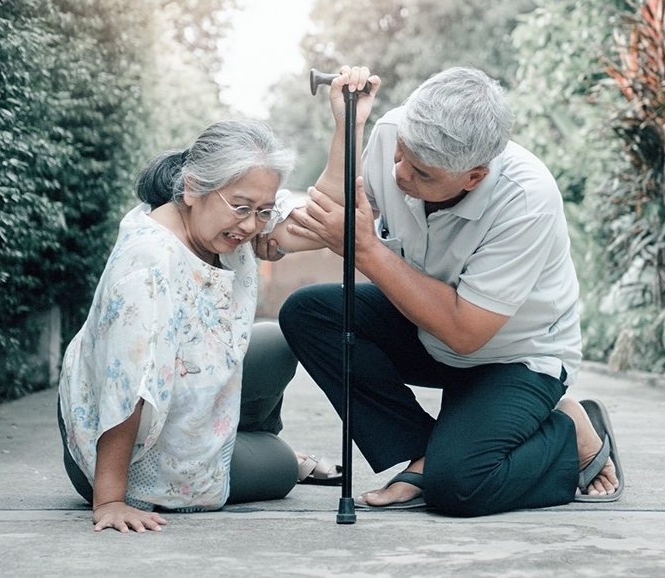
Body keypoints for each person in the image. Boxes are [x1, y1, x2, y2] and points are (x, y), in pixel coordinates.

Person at [261, 66, 623, 517]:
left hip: (513, 358)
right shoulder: (399, 131)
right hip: (427, 333)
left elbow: (465, 332)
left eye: (422, 174)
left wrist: (368, 250)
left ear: (474, 176)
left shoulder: (526, 199)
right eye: (399, 155)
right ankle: (423, 453)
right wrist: (344, 133)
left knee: (460, 487)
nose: (399, 175)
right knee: (309, 312)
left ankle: (569, 431)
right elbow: (331, 217)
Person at [57, 119, 340, 534]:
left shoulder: (223, 224)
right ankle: (265, 453)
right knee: (279, 467)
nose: (250, 226)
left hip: (186, 396)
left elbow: (326, 223)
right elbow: (125, 385)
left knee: (280, 341)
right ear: (191, 188)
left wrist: (344, 122)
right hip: (123, 452)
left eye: (263, 211)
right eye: (241, 208)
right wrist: (110, 500)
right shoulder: (148, 265)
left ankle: (238, 434)